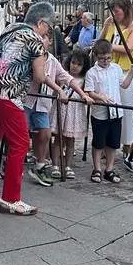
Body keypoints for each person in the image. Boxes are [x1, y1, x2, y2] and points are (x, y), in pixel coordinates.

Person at [0, 2, 56, 216]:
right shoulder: (35, 39)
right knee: (20, 143)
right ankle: (10, 198)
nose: (49, 31)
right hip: (7, 93)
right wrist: (43, 56)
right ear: (41, 22)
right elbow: (39, 76)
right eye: (49, 26)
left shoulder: (11, 28)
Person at [25, 33, 91, 187]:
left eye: (44, 38)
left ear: (49, 41)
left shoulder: (53, 61)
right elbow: (42, 77)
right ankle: (9, 162)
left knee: (46, 134)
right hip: (27, 100)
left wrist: (82, 94)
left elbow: (66, 78)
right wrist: (59, 90)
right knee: (21, 134)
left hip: (42, 103)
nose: (42, 41)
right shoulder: (31, 56)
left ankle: (40, 164)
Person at [99, 0, 133, 169]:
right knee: (106, 108)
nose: (115, 14)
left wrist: (105, 48)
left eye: (117, 11)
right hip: (108, 68)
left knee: (125, 110)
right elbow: (102, 39)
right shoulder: (111, 23)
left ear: (125, 9)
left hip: (125, 70)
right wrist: (105, 26)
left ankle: (127, 146)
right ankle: (106, 145)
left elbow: (129, 47)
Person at [85, 38, 133, 184]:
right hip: (100, 113)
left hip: (116, 111)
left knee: (113, 142)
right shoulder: (92, 73)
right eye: (102, 59)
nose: (105, 61)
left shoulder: (116, 69)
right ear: (96, 57)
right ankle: (97, 168)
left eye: (108, 58)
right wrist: (100, 97)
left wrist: (132, 71)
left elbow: (124, 84)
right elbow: (89, 91)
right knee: (99, 142)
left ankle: (109, 168)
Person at [50, 49, 92, 178]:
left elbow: (86, 94)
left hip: (75, 112)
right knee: (57, 139)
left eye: (79, 64)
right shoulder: (63, 76)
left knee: (70, 141)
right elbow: (54, 90)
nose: (75, 66)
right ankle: (55, 165)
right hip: (61, 109)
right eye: (73, 63)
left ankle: (68, 165)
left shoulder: (84, 80)